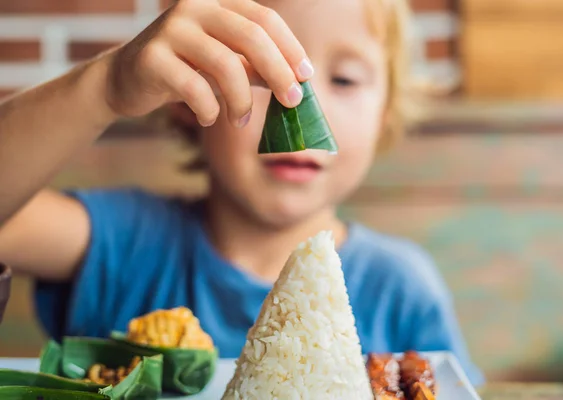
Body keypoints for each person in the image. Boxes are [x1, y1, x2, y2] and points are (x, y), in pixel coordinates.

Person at [0, 0, 484, 385]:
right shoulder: (126, 241)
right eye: (257, 73)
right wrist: (103, 87)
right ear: (186, 96)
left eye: (344, 79)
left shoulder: (401, 287)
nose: (293, 105)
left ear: (386, 114)